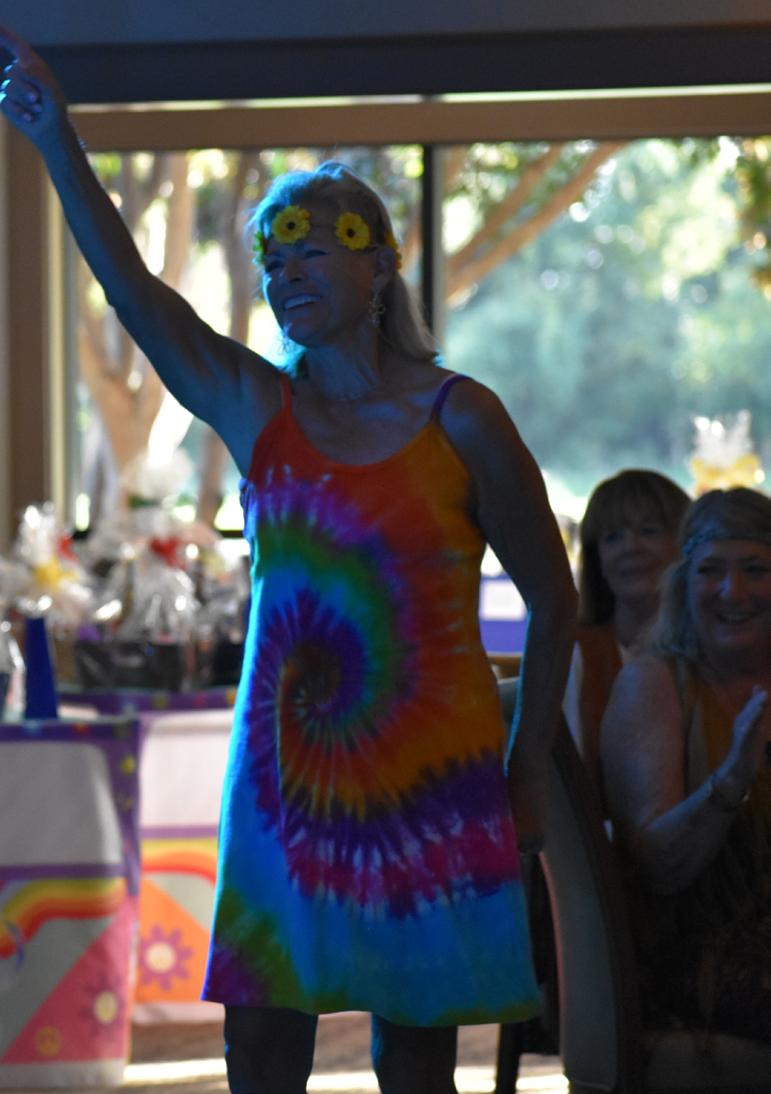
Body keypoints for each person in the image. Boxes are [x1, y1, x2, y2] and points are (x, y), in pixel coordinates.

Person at [0, 28, 577, 1094]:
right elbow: (134, 292)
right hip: (283, 780)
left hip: (435, 775)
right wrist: (55, 139)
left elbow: (553, 596)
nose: (285, 270)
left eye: (312, 248)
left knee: (416, 1056)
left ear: (378, 263)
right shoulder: (256, 406)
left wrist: (527, 769)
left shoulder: (463, 418)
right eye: (273, 258)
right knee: (261, 1047)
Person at [601, 487, 771, 1043]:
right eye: (711, 570)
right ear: (683, 584)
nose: (732, 590)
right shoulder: (655, 683)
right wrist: (731, 779)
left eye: (754, 569)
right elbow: (659, 869)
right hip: (700, 958)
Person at [563, 469, 689, 797]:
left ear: (686, 544)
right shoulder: (575, 654)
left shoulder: (716, 650)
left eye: (649, 531)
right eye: (612, 537)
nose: (631, 547)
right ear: (597, 559)